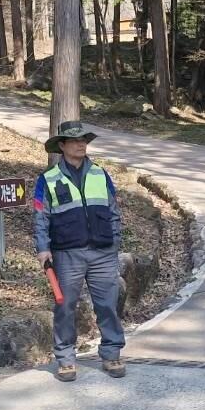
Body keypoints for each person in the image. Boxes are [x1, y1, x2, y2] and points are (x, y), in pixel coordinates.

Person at [33, 121, 126, 382]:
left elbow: (114, 210)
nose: (81, 144)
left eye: (84, 139)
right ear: (62, 145)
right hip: (67, 255)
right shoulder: (47, 180)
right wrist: (43, 248)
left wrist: (115, 242)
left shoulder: (100, 174)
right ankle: (65, 358)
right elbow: (40, 216)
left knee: (108, 304)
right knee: (65, 307)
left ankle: (112, 353)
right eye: (74, 140)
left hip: (103, 252)